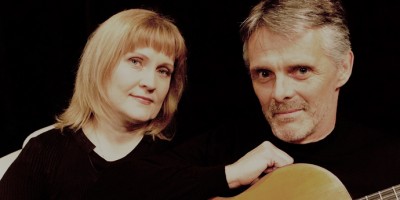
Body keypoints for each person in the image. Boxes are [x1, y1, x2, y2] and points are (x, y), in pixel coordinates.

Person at [88, 0, 400, 199]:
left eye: (301, 70)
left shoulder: (389, 162)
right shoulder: (226, 145)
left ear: (343, 68)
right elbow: (112, 187)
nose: (280, 93)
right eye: (264, 74)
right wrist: (231, 174)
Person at [0, 8, 293, 199]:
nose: (151, 83)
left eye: (163, 70)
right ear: (100, 66)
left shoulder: (186, 147)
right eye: (136, 62)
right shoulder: (45, 152)